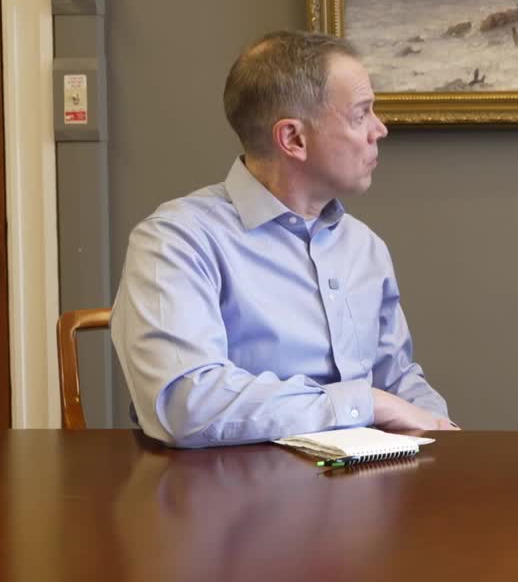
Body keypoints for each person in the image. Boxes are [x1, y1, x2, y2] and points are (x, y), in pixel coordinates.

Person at [113, 30, 455, 448]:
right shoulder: (175, 241)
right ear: (293, 139)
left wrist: (443, 432)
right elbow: (186, 403)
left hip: (370, 482)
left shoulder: (365, 247)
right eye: (361, 114)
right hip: (234, 486)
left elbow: (396, 380)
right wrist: (363, 403)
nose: (379, 129)